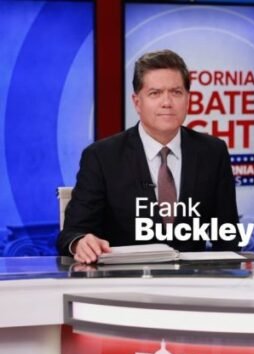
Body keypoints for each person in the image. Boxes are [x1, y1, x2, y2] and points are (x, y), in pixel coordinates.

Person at [57, 49, 240, 263]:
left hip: (192, 279)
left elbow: (228, 236)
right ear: (137, 102)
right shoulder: (102, 157)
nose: (167, 102)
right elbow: (71, 233)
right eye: (155, 93)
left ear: (188, 99)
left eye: (176, 92)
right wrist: (80, 242)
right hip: (123, 278)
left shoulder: (213, 152)